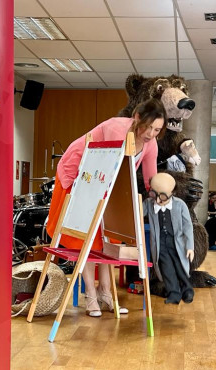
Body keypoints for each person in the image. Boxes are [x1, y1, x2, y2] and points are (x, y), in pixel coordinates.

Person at [45, 98, 168, 317]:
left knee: (109, 239)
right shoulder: (116, 128)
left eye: (157, 129)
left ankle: (105, 292)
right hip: (80, 173)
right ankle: (90, 294)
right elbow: (111, 169)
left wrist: (162, 195)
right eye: (148, 126)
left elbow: (151, 179)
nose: (150, 133)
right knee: (89, 238)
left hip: (105, 184)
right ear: (137, 117)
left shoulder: (151, 144)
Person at [142, 172, 194, 305]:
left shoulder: (179, 205)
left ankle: (187, 290)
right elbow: (138, 213)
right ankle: (173, 294)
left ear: (173, 192)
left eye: (163, 196)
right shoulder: (149, 203)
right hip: (160, 244)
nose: (158, 200)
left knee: (180, 266)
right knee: (167, 269)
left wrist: (190, 247)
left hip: (177, 243)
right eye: (154, 194)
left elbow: (188, 226)